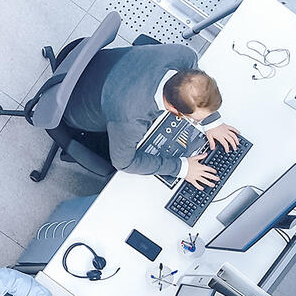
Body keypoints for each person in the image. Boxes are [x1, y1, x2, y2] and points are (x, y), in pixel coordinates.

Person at [63, 43, 240, 188]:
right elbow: (124, 163)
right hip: (74, 108)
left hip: (97, 62)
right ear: (172, 108)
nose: (199, 121)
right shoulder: (131, 119)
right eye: (195, 118)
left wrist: (212, 122)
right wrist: (182, 168)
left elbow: (195, 82)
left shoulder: (184, 54)